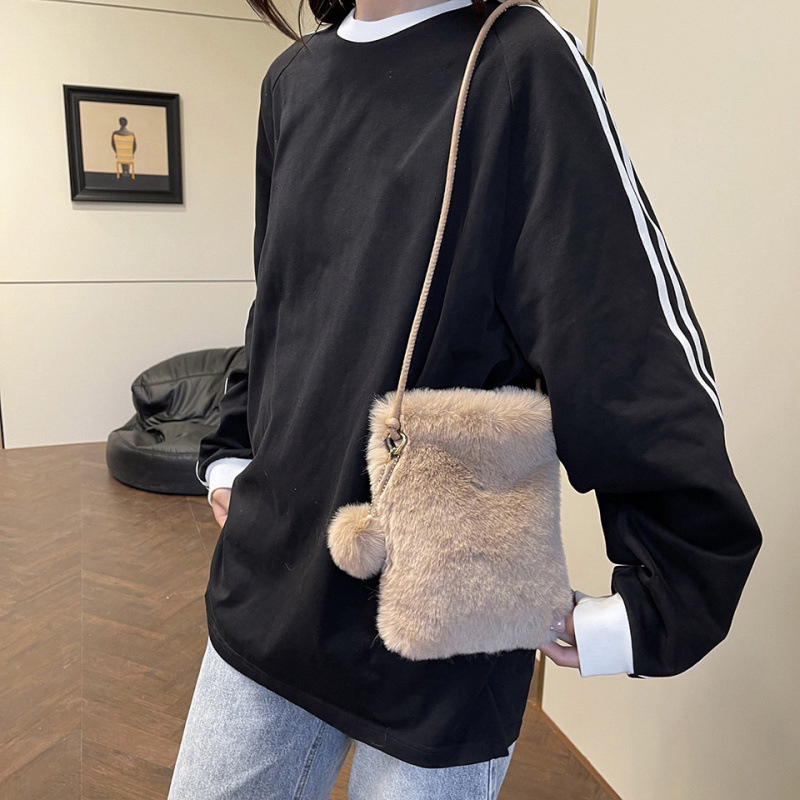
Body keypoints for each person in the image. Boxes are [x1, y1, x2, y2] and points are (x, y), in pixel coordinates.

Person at [169, 0, 763, 797]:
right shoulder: (292, 82)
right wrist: (234, 449)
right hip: (271, 587)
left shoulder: (518, 60)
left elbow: (619, 332)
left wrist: (668, 596)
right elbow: (282, 298)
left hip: (447, 621)